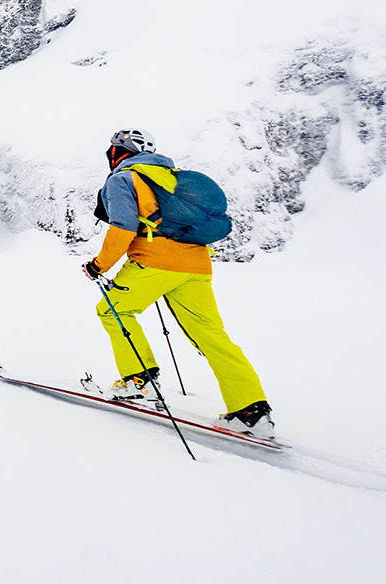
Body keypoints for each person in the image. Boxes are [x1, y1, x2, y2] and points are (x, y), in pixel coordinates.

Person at [80, 129, 274, 436]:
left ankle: (137, 380)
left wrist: (97, 265)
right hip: (197, 265)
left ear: (119, 153)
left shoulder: (123, 179)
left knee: (112, 311)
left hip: (154, 262)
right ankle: (251, 410)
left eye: (112, 150)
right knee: (211, 334)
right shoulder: (170, 177)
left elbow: (123, 227)